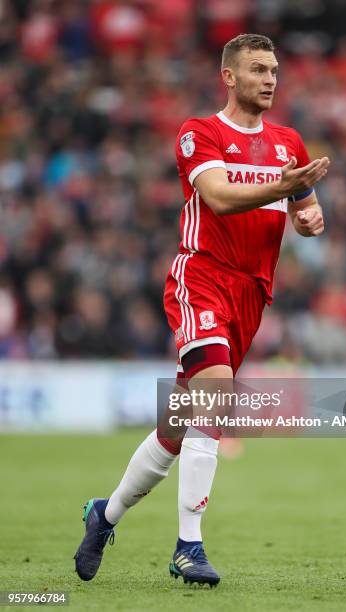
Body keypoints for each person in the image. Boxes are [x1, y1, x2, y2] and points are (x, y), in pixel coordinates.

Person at [74, 33, 329, 587]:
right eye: (259, 69)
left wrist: (309, 218)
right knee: (215, 395)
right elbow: (215, 196)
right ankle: (189, 546)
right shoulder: (200, 133)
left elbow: (307, 211)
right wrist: (281, 190)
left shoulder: (289, 143)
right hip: (202, 278)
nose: (270, 79)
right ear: (230, 77)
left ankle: (105, 514)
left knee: (179, 424)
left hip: (253, 293)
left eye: (275, 70)